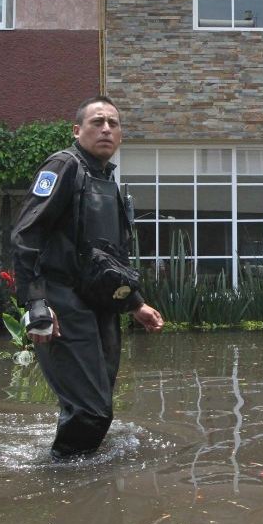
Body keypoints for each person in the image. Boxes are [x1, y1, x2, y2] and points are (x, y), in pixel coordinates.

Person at [11, 95, 164, 459]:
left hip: (101, 307)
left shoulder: (108, 182)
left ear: (121, 136)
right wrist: (37, 306)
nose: (106, 129)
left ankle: (75, 468)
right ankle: (62, 483)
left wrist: (136, 305)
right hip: (62, 301)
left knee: (96, 403)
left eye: (113, 123)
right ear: (77, 130)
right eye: (97, 122)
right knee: (92, 411)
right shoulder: (64, 167)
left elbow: (106, 260)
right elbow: (26, 236)